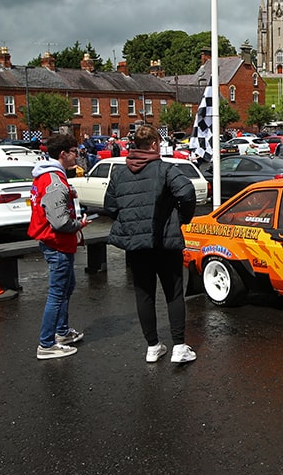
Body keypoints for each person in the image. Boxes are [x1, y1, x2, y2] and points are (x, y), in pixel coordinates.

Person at [104, 125, 198, 364]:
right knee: (173, 292)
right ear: (155, 144)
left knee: (143, 293)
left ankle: (153, 346)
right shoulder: (166, 169)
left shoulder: (119, 173)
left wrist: (130, 221)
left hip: (137, 243)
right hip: (165, 241)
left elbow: (110, 206)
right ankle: (179, 346)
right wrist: (182, 218)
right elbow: (187, 193)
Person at [29, 133, 89, 360]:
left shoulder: (48, 176)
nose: (77, 155)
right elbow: (60, 221)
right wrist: (79, 224)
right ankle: (46, 343)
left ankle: (62, 332)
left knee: (67, 287)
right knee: (56, 294)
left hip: (55, 242)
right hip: (57, 243)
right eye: (74, 151)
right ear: (63, 154)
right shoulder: (54, 181)